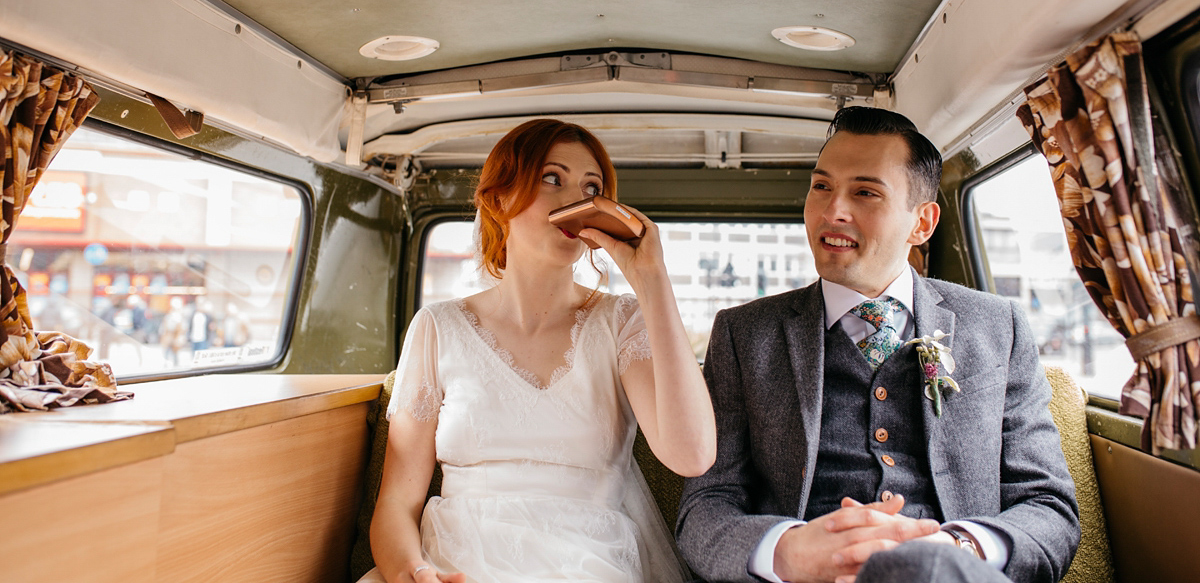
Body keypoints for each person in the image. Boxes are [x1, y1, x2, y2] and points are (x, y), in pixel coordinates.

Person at [676, 107, 1079, 583]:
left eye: (865, 192)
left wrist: (960, 546)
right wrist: (786, 552)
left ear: (922, 223)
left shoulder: (997, 328)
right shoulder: (744, 335)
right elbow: (704, 508)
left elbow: (1048, 507)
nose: (832, 212)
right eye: (821, 186)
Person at [361, 118, 716, 583]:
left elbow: (692, 456)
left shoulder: (620, 321)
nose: (576, 200)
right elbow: (395, 504)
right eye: (553, 179)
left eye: (592, 187)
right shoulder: (437, 326)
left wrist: (652, 280)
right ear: (499, 197)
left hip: (589, 562)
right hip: (450, 560)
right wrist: (414, 572)